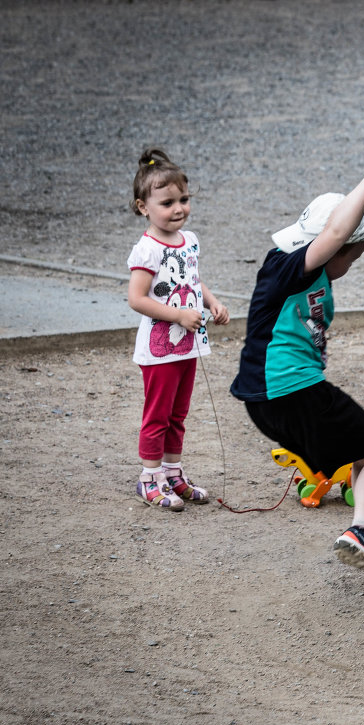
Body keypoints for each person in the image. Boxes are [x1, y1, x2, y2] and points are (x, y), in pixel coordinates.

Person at [230, 145, 364, 591]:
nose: (352, 262)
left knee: (363, 452)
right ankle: (362, 531)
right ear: (331, 247)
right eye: (353, 256)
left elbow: (363, 220)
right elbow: (338, 231)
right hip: (290, 390)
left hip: (271, 398)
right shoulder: (292, 267)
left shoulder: (305, 259)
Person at [127, 148, 230, 511]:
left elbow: (192, 280)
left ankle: (172, 473)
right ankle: (148, 478)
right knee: (157, 414)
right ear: (144, 207)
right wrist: (177, 315)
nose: (178, 209)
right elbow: (137, 299)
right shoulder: (147, 249)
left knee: (178, 414)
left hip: (188, 344)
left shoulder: (190, 240)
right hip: (159, 350)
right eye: (167, 202)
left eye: (183, 199)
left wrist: (211, 302)